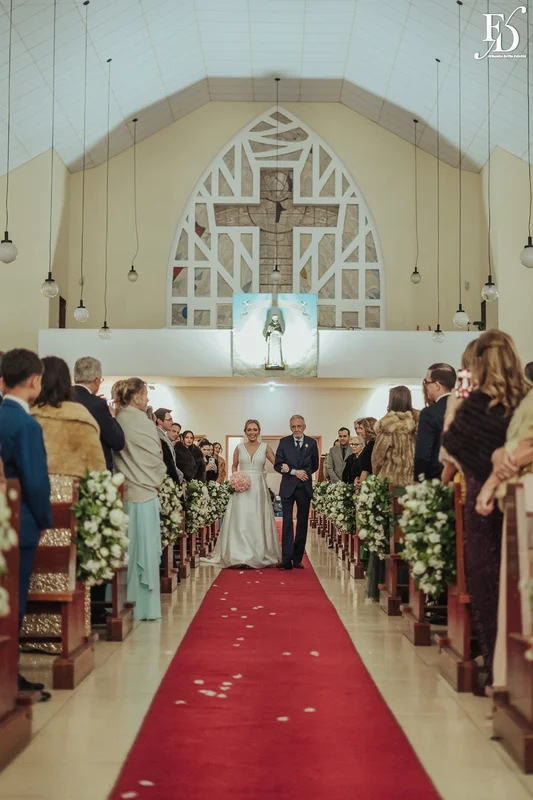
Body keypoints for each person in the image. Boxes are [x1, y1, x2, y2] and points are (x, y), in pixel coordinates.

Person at [442, 330, 528, 688]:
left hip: (483, 500)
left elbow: (451, 445)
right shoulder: (526, 398)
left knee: (489, 583)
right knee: (521, 585)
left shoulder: (476, 404)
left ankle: (498, 672)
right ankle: (523, 673)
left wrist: (454, 406)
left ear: (477, 363)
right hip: (524, 499)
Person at [0, 349, 53, 700]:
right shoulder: (26, 424)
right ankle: (8, 676)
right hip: (19, 523)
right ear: (34, 382)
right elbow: (35, 481)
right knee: (13, 601)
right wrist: (45, 519)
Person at [112, 379, 166, 621]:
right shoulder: (141, 422)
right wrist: (157, 477)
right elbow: (155, 458)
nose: (147, 400)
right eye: (145, 394)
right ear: (135, 397)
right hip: (144, 495)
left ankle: (123, 602)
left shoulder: (118, 419)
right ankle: (142, 606)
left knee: (127, 551)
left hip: (127, 492)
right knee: (142, 549)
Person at [207, 420, 281, 568]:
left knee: (257, 516)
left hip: (258, 486)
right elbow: (234, 465)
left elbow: (277, 463)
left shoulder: (265, 447)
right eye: (249, 430)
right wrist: (236, 477)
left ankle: (259, 552)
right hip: (242, 486)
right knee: (241, 517)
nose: (252, 432)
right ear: (245, 431)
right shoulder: (239, 448)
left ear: (259, 431)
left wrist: (290, 469)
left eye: (255, 429)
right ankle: (239, 554)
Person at [32, 357, 106, 477]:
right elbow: (97, 468)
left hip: (35, 490)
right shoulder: (81, 417)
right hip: (75, 491)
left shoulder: (29, 417)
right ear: (67, 382)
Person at [275, 415, 319, 570]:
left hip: (304, 488)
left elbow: (315, 465)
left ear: (304, 427)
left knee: (302, 523)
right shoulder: (284, 442)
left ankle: (298, 558)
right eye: (293, 427)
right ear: (290, 427)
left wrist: (303, 474)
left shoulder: (312, 443)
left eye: (299, 426)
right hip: (288, 487)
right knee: (287, 522)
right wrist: (294, 472)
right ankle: (286, 559)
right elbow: (277, 465)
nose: (296, 429)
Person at [73, 356, 125, 471]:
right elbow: (117, 442)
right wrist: (112, 416)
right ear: (97, 380)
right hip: (93, 471)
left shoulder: (62, 398)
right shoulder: (97, 404)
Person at [414, 363, 456, 480]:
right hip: (461, 478)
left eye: (426, 383)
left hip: (436, 480)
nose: (426, 387)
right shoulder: (466, 408)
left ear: (437, 385)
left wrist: (418, 480)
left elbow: (423, 454)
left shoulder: (429, 413)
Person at [372, 387, 419, 486]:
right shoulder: (418, 422)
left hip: (392, 480)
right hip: (415, 480)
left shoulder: (387, 426)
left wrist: (376, 475)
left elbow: (378, 458)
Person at [154, 407, 183, 484]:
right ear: (159, 421)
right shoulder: (158, 436)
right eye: (169, 420)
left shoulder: (163, 436)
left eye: (172, 420)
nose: (172, 422)